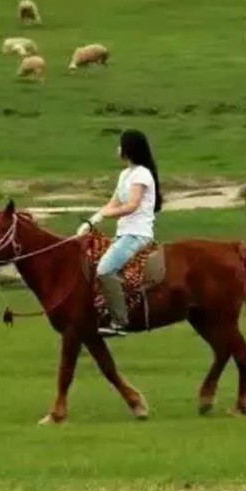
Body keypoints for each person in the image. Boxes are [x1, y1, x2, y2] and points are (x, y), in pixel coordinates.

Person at [76, 129, 163, 337]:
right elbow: (113, 203)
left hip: (137, 234)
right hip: (124, 234)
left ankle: (120, 321)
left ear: (129, 149)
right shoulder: (125, 174)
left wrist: (105, 215)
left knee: (105, 269)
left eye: (121, 145)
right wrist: (92, 219)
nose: (118, 149)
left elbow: (131, 206)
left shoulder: (142, 174)